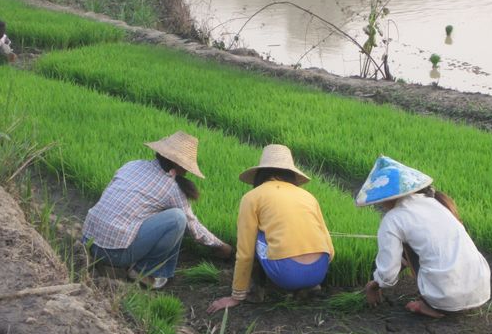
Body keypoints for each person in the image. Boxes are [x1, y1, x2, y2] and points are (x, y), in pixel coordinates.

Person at [82, 131, 232, 289]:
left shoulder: (132, 164)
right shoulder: (171, 187)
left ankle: (145, 264)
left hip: (88, 240)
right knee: (177, 219)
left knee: (156, 212)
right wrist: (222, 247)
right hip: (114, 254)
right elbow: (193, 226)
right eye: (186, 166)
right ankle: (144, 272)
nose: (187, 171)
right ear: (179, 165)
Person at [356, 156, 490, 318]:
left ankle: (432, 307)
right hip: (481, 288)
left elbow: (388, 272)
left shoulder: (393, 219)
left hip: (446, 297)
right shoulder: (437, 203)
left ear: (388, 198)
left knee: (408, 247)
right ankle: (447, 301)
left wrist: (375, 285)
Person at [207, 144, 334, 313]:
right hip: (319, 271)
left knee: (256, 234)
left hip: (287, 274)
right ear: (291, 174)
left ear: (261, 173)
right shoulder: (308, 196)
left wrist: (236, 295)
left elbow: (245, 253)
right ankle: (308, 288)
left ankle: (255, 291)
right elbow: (329, 247)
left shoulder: (252, 197)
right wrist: (311, 272)